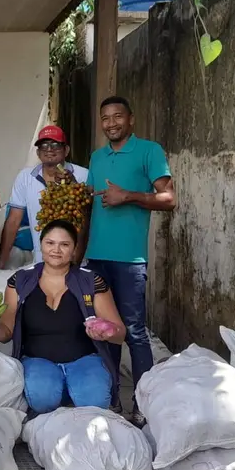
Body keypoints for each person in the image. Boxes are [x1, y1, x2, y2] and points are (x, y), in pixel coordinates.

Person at [76, 96, 176, 426]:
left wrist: (129, 196)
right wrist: (79, 253)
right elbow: (89, 208)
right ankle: (111, 399)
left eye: (117, 116)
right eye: (105, 118)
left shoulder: (149, 151)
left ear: (131, 119)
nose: (111, 123)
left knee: (133, 331)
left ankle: (142, 403)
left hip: (130, 260)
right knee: (103, 329)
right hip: (96, 258)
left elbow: (169, 199)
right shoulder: (97, 157)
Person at [0, 220, 126, 417]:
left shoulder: (90, 281)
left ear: (74, 249)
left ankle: (74, 390)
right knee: (42, 399)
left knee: (95, 402)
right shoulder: (21, 281)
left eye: (64, 244)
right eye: (50, 243)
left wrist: (107, 333)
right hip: (38, 361)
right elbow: (6, 332)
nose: (56, 250)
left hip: (84, 361)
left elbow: (120, 334)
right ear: (41, 245)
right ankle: (64, 392)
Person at [0, 125, 88, 268]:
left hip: (76, 262)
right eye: (44, 145)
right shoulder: (25, 177)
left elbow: (86, 219)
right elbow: (13, 221)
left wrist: (76, 262)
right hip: (41, 262)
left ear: (66, 150)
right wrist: (1, 263)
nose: (49, 149)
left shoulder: (83, 175)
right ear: (38, 153)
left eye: (55, 145)